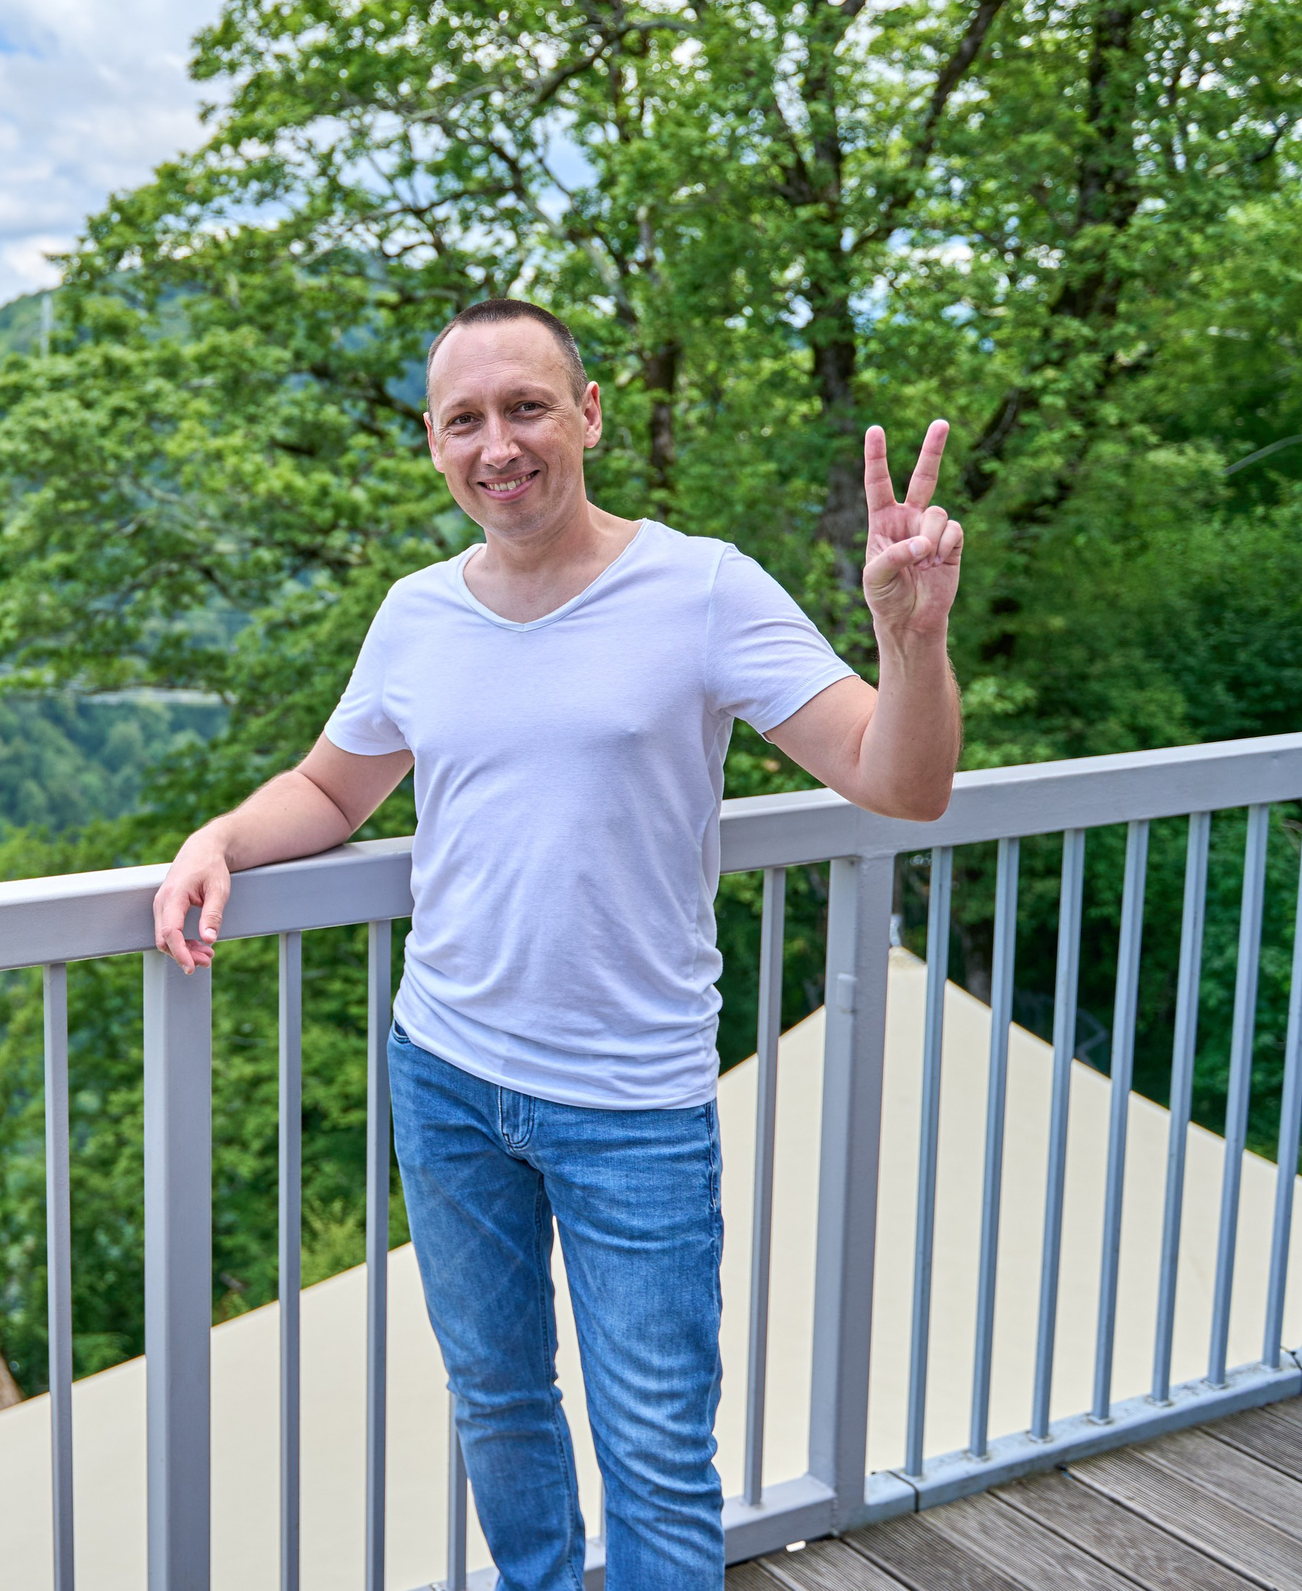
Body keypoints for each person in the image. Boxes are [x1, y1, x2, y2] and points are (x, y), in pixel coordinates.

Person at [149, 299, 963, 1590]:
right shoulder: (417, 613)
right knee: (500, 1404)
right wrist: (220, 840)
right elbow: (333, 790)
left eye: (525, 407)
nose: (498, 445)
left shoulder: (700, 588)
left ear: (587, 415)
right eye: (463, 420)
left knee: (654, 1452)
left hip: (633, 1101)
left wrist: (912, 639)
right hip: (448, 1075)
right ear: (431, 442)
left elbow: (899, 783)